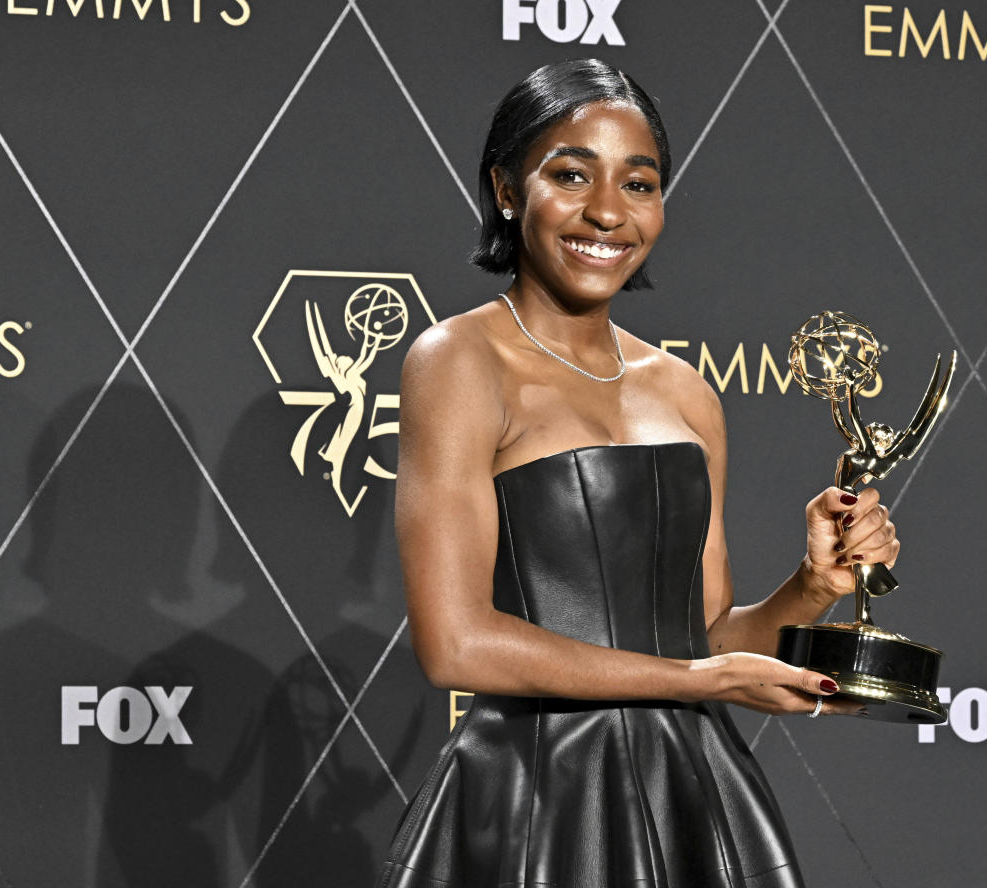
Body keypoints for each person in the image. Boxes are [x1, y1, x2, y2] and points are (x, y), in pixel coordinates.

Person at [377, 59, 899, 888]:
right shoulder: (458, 362)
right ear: (506, 191)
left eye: (640, 183)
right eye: (571, 174)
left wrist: (812, 587)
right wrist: (697, 681)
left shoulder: (686, 392)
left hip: (687, 789)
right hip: (536, 798)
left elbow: (711, 635)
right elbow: (456, 644)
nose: (608, 212)